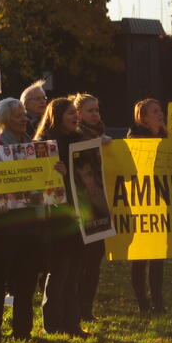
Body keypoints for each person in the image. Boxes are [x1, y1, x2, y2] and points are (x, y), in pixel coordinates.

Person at [0, 97, 46, 343]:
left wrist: (55, 172)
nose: (24, 118)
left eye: (24, 114)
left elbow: (44, 183)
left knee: (26, 282)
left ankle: (23, 332)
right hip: (1, 230)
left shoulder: (34, 148)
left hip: (28, 227)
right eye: (18, 115)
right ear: (5, 121)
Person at [34, 98, 84, 337]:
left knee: (74, 272)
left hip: (77, 216)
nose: (76, 116)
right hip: (55, 218)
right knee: (58, 271)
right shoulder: (44, 144)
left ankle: (72, 324)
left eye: (76, 112)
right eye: (70, 113)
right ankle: (52, 324)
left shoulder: (80, 141)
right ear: (58, 116)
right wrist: (58, 173)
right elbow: (40, 184)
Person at [126, 98, 167, 315]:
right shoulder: (135, 139)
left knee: (159, 256)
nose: (161, 114)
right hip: (140, 204)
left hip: (160, 203)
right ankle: (143, 303)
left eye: (160, 110)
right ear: (143, 117)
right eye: (155, 111)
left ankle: (158, 303)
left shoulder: (166, 138)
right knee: (141, 257)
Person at [72, 93, 110, 321]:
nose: (95, 114)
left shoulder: (100, 135)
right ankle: (77, 307)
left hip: (101, 208)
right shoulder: (77, 136)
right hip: (84, 208)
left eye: (97, 110)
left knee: (95, 260)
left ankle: (87, 309)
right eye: (90, 111)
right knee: (84, 262)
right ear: (79, 114)